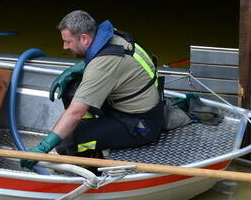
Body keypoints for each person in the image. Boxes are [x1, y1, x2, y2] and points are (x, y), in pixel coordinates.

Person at [20, 9, 164, 169]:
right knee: (72, 88)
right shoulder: (113, 37)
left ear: (84, 38)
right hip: (131, 106)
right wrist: (81, 67)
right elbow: (112, 64)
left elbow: (75, 112)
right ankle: (91, 135)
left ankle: (93, 172)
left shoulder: (102, 66)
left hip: (140, 124)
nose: (65, 46)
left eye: (68, 42)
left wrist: (43, 148)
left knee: (67, 143)